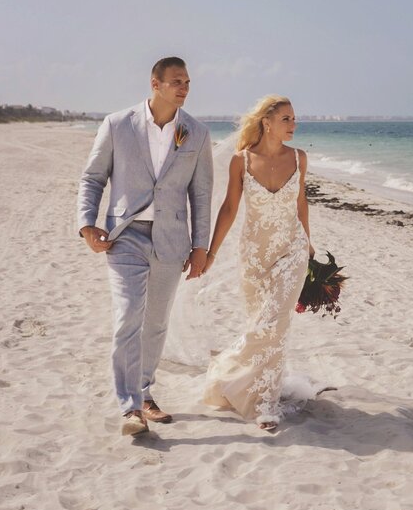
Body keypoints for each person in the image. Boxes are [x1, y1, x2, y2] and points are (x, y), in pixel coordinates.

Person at [76, 57, 214, 437]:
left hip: (172, 240)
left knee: (155, 324)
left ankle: (145, 392)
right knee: (127, 318)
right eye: (175, 81)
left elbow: (201, 195)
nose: (184, 87)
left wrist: (201, 246)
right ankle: (130, 408)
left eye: (187, 81)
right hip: (125, 236)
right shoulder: (118, 124)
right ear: (155, 84)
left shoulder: (196, 133)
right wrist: (87, 224)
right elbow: (92, 177)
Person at [201, 95, 314, 431]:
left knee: (276, 323)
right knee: (261, 324)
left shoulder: (299, 158)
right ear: (267, 121)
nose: (294, 125)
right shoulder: (242, 161)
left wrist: (307, 244)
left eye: (294, 119)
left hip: (291, 249)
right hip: (253, 255)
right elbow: (229, 209)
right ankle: (233, 373)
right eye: (286, 119)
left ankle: (265, 402)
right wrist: (211, 252)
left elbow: (301, 203)